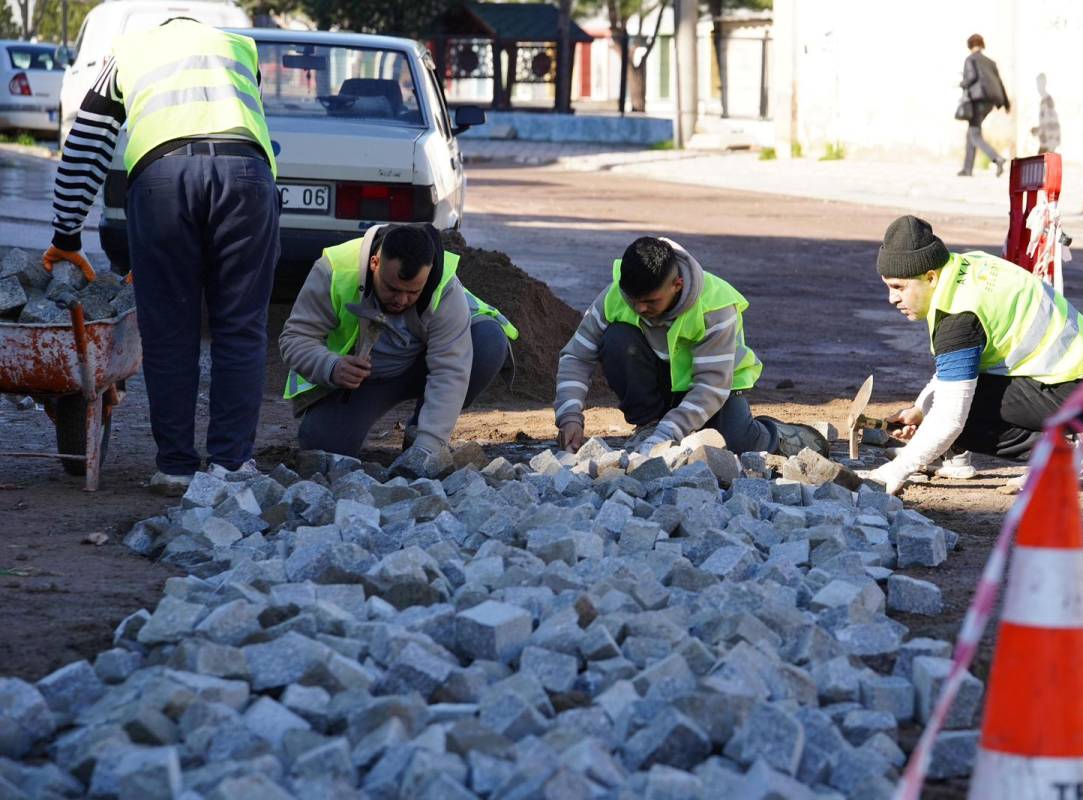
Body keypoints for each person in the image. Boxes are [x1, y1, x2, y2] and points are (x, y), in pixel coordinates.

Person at [44, 17, 280, 495]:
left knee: (171, 330)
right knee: (241, 326)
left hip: (163, 182)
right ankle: (232, 465)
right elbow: (250, 117)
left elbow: (87, 141)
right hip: (246, 178)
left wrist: (66, 235)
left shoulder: (128, 52)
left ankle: (175, 468)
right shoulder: (240, 47)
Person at [867, 215, 1083, 495]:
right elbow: (955, 368)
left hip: (1077, 389)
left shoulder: (958, 315)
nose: (892, 298)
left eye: (899, 287)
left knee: (958, 420)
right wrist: (920, 410)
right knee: (940, 405)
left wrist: (897, 470)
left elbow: (950, 417)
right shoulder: (964, 268)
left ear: (930, 277)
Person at [554, 236, 822, 456]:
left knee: (738, 446)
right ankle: (648, 424)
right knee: (617, 340)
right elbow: (576, 357)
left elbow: (711, 387)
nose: (639, 308)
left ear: (677, 285)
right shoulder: (616, 296)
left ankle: (786, 436)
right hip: (659, 390)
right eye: (633, 299)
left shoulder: (715, 305)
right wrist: (569, 417)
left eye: (650, 301)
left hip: (716, 390)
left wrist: (669, 432)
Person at [280, 223, 516, 459]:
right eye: (392, 288)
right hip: (362, 381)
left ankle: (418, 429)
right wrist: (331, 366)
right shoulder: (335, 271)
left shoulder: (445, 288)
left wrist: (427, 449)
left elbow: (450, 371)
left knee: (488, 342)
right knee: (324, 448)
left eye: (413, 292)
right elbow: (295, 338)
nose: (401, 300)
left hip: (422, 367)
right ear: (375, 263)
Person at [957, 33, 1010, 177]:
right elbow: (999, 82)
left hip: (977, 101)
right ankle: (967, 169)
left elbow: (972, 76)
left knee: (974, 134)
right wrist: (1006, 103)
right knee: (972, 133)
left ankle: (996, 158)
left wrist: (962, 83)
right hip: (990, 102)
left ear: (970, 45)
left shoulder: (970, 59)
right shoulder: (990, 62)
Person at [1030, 72, 1061, 154]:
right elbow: (1045, 124)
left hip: (1048, 143)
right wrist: (1037, 130)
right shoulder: (1043, 101)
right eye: (1037, 84)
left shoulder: (1047, 101)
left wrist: (1052, 145)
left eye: (1040, 84)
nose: (1038, 87)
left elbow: (1051, 123)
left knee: (1039, 164)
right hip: (1045, 142)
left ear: (1044, 84)